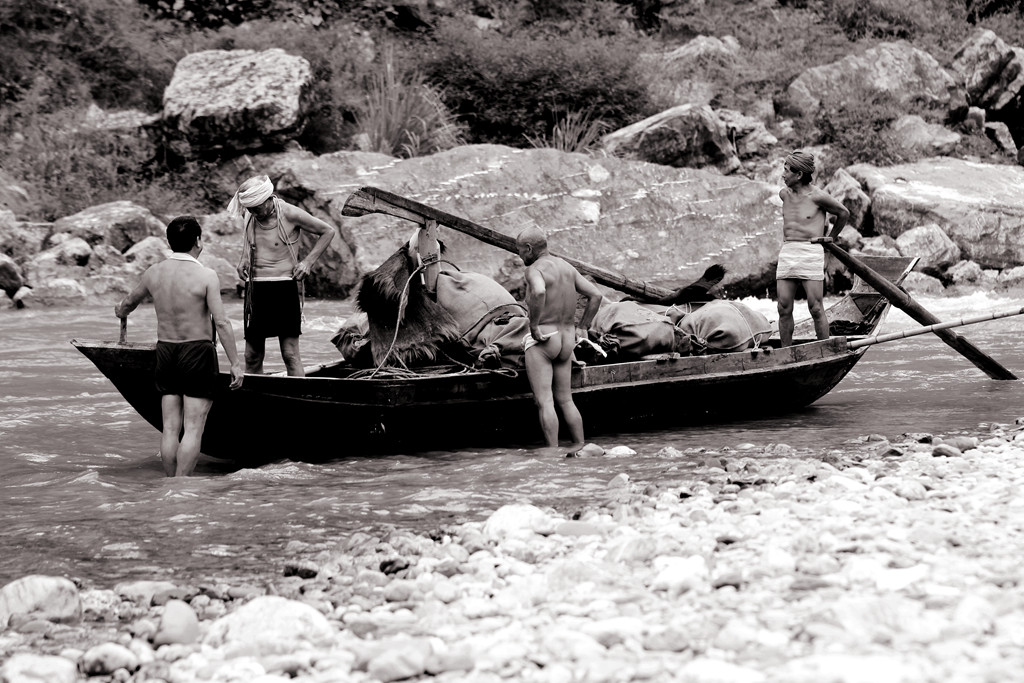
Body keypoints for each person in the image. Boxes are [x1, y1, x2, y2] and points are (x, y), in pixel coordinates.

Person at [115, 216, 244, 477]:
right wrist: (236, 363)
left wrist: (120, 311)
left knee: (171, 427)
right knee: (193, 427)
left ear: (169, 242)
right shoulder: (206, 275)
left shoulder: (154, 272)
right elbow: (221, 321)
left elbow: (127, 304)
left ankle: (169, 481)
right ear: (198, 241)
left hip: (166, 352)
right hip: (197, 351)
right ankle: (181, 485)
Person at [229, 175, 337, 376]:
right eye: (249, 209)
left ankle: (300, 400)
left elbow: (327, 231)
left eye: (256, 208)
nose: (253, 213)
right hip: (255, 289)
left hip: (283, 287)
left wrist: (308, 262)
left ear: (269, 198)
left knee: (290, 354)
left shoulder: (290, 213)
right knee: (251, 355)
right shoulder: (250, 214)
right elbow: (249, 239)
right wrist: (244, 257)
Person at [516, 227, 604, 449]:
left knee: (545, 401)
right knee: (566, 400)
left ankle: (552, 456)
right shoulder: (567, 267)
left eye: (519, 251)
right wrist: (583, 326)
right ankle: (581, 447)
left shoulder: (535, 269)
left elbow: (538, 292)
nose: (519, 256)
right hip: (567, 339)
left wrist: (534, 325)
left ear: (529, 249)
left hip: (545, 338)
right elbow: (596, 295)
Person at [776, 150, 850, 346]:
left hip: (810, 252)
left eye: (786, 170)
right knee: (783, 307)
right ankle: (785, 353)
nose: (783, 175)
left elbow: (843, 213)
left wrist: (830, 239)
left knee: (815, 307)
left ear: (799, 174)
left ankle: (823, 351)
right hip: (788, 251)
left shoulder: (818, 196)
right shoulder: (784, 194)